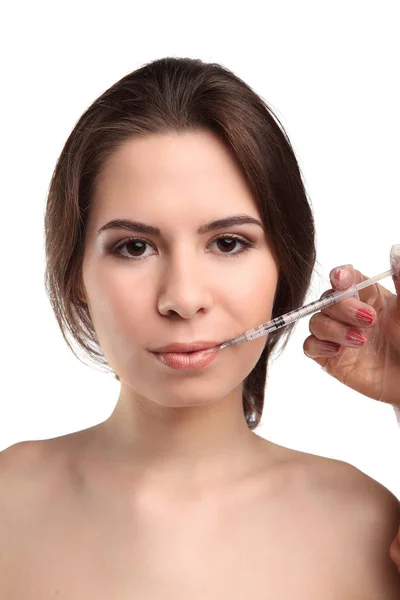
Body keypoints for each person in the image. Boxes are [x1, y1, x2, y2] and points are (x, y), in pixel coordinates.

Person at [0, 56, 399, 598]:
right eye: (134, 247)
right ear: (76, 276)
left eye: (228, 243)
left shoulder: (369, 526)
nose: (183, 298)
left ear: (284, 268)